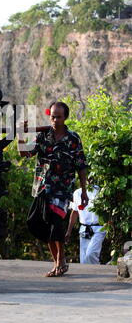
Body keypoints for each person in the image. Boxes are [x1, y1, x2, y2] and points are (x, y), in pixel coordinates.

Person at [18, 101, 88, 277]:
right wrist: (20, 133)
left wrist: (84, 191)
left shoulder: (73, 139)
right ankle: (57, 261)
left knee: (56, 223)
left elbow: (81, 165)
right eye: (52, 116)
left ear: (65, 118)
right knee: (41, 224)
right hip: (42, 187)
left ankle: (61, 261)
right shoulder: (43, 136)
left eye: (58, 117)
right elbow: (24, 153)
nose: (55, 120)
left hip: (62, 189)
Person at [66, 183, 106, 264]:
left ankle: (96, 273)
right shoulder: (77, 193)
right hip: (84, 229)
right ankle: (89, 275)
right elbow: (74, 212)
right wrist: (68, 231)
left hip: (99, 228)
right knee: (84, 260)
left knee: (91, 254)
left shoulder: (100, 190)